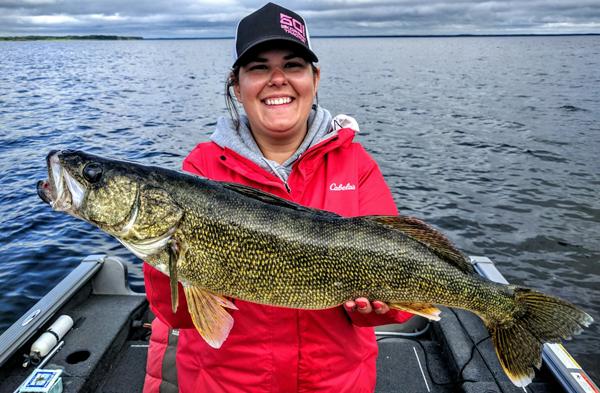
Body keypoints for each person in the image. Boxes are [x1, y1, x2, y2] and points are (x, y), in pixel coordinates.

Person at [143, 3, 413, 392]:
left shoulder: (356, 165)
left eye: (292, 65)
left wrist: (378, 311)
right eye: (258, 68)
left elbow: (398, 303)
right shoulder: (201, 167)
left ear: (314, 78)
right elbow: (180, 315)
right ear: (237, 86)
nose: (277, 79)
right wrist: (168, 248)